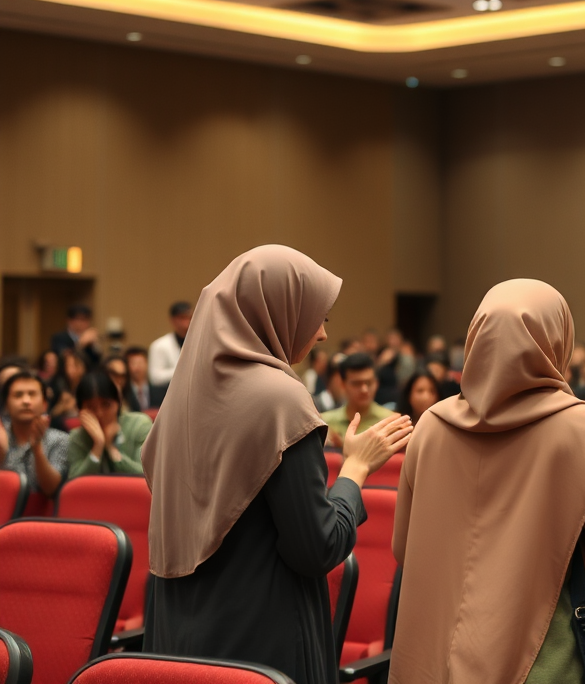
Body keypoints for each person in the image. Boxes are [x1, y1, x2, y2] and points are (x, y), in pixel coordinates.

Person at [141, 245, 412, 684]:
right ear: (276, 310)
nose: (323, 334)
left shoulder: (180, 399)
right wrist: (356, 470)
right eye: (317, 316)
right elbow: (317, 547)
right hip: (260, 644)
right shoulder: (280, 400)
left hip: (177, 640)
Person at [389, 279, 585, 684]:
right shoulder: (581, 426)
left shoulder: (432, 425)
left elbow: (404, 549)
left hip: (433, 661)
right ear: (556, 341)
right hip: (543, 659)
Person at [67, 370, 152, 478]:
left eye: (106, 405)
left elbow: (145, 475)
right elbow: (73, 485)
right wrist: (98, 445)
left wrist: (110, 448)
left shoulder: (139, 425)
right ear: (79, 410)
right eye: (90, 407)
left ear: (118, 402)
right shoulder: (77, 437)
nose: (99, 413)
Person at [0, 371, 68, 496]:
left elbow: (51, 489)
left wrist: (37, 449)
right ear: (6, 405)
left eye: (32, 394)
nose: (26, 401)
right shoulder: (1, 436)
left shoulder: (60, 440)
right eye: (18, 395)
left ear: (45, 405)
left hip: (39, 514)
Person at [321, 353, 397, 447]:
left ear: (377, 383)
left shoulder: (392, 422)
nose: (364, 390)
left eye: (369, 383)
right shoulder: (325, 423)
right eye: (356, 384)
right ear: (343, 385)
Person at [149, 301, 193, 387]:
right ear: (173, 320)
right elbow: (155, 377)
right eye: (182, 318)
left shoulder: (199, 342)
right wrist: (185, 370)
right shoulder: (159, 345)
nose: (187, 322)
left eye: (190, 318)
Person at [125, 346, 166, 412]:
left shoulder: (160, 390)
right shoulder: (124, 392)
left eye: (140, 363)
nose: (137, 367)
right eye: (133, 363)